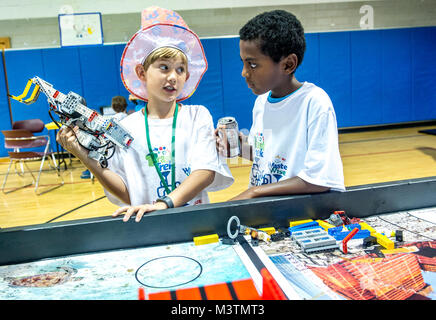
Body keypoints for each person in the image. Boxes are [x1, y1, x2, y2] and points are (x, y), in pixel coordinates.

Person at [58, 6, 233, 221]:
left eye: (180, 70)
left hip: (195, 222)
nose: (172, 77)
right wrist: (81, 153)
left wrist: (164, 204)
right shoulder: (126, 127)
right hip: (147, 224)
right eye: (164, 67)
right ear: (141, 72)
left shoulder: (197, 115)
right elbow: (127, 191)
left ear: (187, 76)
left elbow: (205, 172)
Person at [216, 10, 345, 201]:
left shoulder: (314, 102)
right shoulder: (261, 102)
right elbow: (264, 155)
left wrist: (254, 192)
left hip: (297, 216)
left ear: (288, 64)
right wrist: (237, 146)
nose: (244, 72)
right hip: (265, 211)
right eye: (243, 63)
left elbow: (319, 180)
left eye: (252, 64)